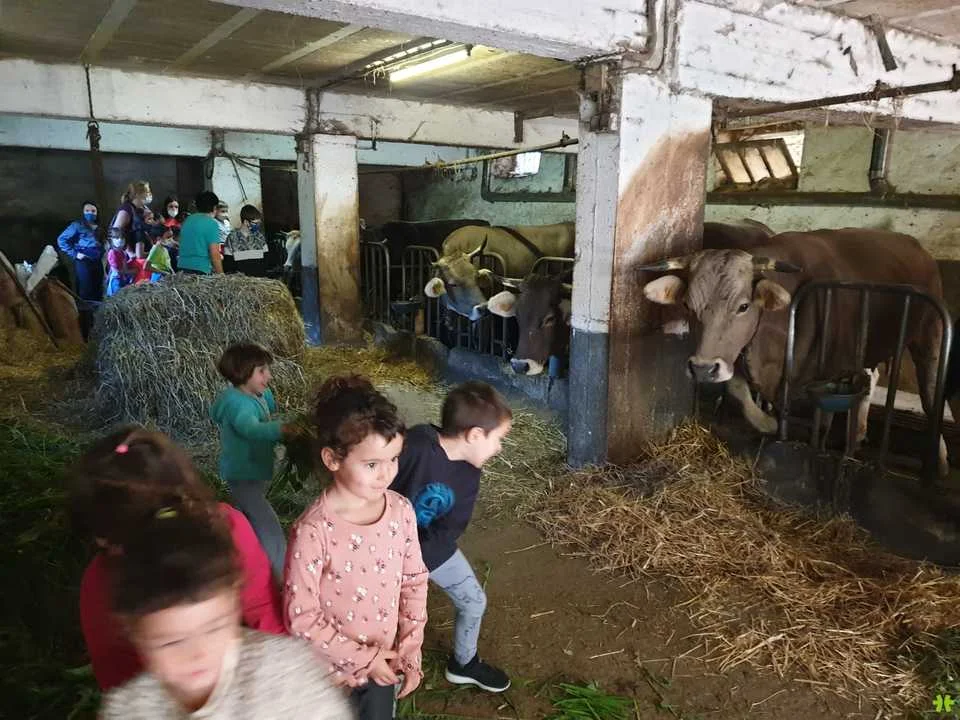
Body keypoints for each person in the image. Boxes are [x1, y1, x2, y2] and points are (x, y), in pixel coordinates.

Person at [68, 427, 285, 692]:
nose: (101, 544)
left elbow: (264, 611)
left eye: (110, 538)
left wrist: (281, 678)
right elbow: (118, 675)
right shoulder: (101, 582)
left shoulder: (228, 530)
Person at [97, 508, 354, 719]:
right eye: (171, 642)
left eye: (214, 628)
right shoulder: (129, 709)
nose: (198, 654)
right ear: (136, 636)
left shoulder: (287, 673)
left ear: (233, 609)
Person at [285, 375, 428, 720]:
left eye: (394, 459)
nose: (386, 474)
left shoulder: (401, 511)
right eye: (372, 464)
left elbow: (413, 581)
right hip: (325, 675)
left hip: (383, 664)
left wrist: (410, 651)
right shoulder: (313, 531)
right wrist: (364, 658)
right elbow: (301, 617)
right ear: (333, 459)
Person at [389, 381, 513, 693]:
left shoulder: (470, 474)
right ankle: (387, 672)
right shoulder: (416, 445)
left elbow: (450, 529)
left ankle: (464, 663)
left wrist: (417, 563)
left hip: (430, 549)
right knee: (387, 612)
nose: (499, 448)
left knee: (474, 602)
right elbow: (380, 485)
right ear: (475, 435)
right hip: (383, 547)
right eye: (498, 439)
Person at [210, 343, 293, 577]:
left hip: (254, 469)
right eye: (262, 371)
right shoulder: (238, 404)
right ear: (243, 372)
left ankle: (242, 557)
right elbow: (251, 429)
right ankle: (279, 571)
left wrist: (265, 396)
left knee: (246, 515)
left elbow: (267, 408)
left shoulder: (254, 395)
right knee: (267, 522)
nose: (269, 376)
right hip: (242, 472)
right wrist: (281, 430)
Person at [56, 200, 103, 338]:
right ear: (83, 212)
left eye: (93, 211)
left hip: (97, 261)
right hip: (83, 262)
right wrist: (75, 254)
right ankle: (85, 330)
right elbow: (61, 240)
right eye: (87, 211)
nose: (90, 213)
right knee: (85, 292)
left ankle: (97, 327)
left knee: (98, 290)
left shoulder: (99, 228)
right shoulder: (77, 226)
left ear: (97, 213)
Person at [178, 190, 224, 275]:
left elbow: (180, 241)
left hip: (182, 268)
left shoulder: (187, 220)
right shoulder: (212, 223)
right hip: (200, 269)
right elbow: (214, 254)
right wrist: (221, 275)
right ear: (214, 208)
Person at [224, 204, 269, 277]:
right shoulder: (231, 238)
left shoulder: (260, 237)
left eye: (259, 223)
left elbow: (266, 260)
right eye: (255, 223)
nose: (258, 225)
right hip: (241, 281)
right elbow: (228, 264)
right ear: (246, 222)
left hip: (259, 280)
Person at [111, 181, 152, 260]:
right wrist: (130, 252)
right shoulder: (126, 209)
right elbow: (116, 232)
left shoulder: (140, 209)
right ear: (137, 194)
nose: (149, 195)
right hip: (127, 256)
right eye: (147, 192)